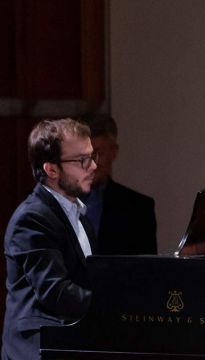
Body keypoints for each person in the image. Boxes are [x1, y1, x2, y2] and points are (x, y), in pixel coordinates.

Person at [3, 119, 96, 360]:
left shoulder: (80, 216)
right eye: (82, 160)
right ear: (51, 170)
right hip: (39, 348)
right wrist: (114, 303)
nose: (93, 166)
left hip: (70, 340)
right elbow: (55, 292)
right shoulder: (31, 219)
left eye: (92, 156)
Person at [79, 114, 157, 255]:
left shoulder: (138, 210)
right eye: (83, 156)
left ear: (113, 152)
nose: (91, 163)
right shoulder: (57, 203)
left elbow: (146, 272)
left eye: (98, 153)